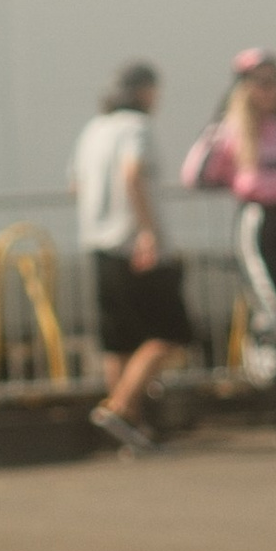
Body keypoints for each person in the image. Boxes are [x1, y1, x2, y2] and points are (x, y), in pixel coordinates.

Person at [187, 48, 276, 444]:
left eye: (275, 81)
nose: (269, 90)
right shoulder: (233, 129)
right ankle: (263, 344)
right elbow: (196, 175)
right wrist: (219, 122)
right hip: (263, 223)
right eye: (260, 82)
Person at [70, 61, 193, 454]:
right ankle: (120, 408)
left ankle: (132, 431)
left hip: (98, 243)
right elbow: (132, 174)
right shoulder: (136, 128)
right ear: (144, 91)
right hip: (133, 244)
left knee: (118, 341)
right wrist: (147, 233)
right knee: (169, 332)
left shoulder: (94, 129)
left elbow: (76, 184)